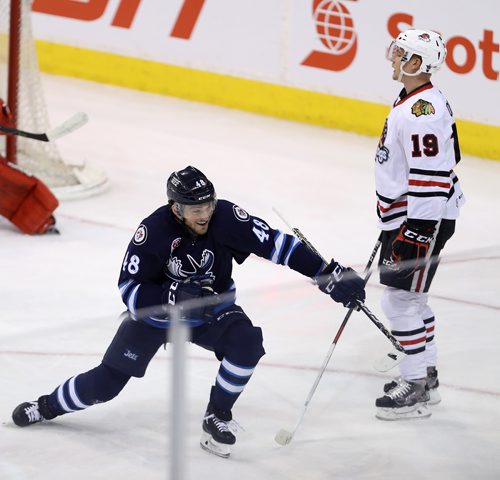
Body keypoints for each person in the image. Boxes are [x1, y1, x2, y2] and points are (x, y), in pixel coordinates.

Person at [12, 165, 366, 457]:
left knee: (247, 344)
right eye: (196, 209)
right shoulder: (152, 231)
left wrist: (328, 274)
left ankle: (217, 416)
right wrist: (172, 294)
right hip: (157, 317)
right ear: (175, 207)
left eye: (208, 205)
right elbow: (128, 288)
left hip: (211, 311)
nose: (205, 214)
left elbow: (278, 245)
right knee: (106, 384)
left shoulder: (226, 217)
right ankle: (45, 406)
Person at [373, 29, 465, 420]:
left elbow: (431, 175)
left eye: (401, 53)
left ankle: (415, 388)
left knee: (399, 300)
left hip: (422, 219)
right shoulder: (415, 99)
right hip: (414, 215)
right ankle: (427, 375)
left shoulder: (420, 111)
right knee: (414, 299)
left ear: (416, 64)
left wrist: (415, 231)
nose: (393, 57)